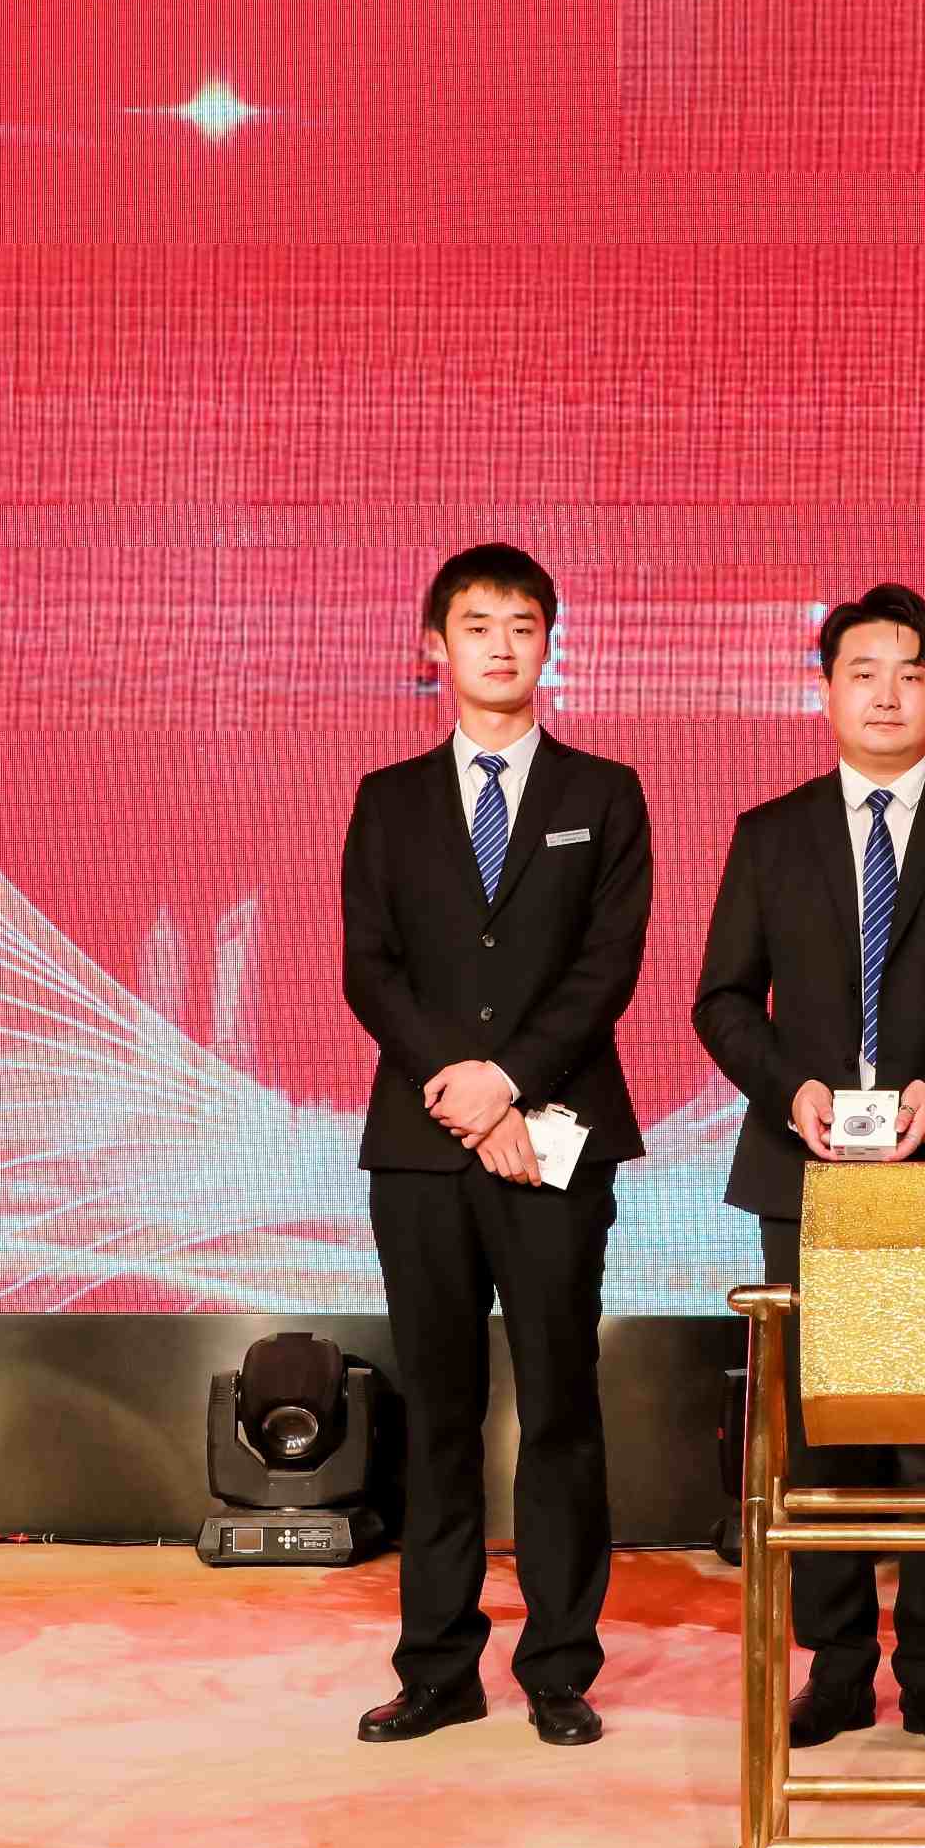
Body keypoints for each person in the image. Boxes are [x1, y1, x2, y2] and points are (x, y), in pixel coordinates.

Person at [693, 583, 925, 1755]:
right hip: (806, 1170)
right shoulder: (769, 833)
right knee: (822, 1432)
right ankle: (838, 1668)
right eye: (862, 672)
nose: (887, 694)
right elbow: (721, 999)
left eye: (911, 672)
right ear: (823, 691)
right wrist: (788, 1089)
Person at [341, 544, 653, 1749]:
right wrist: (464, 1092)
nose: (500, 646)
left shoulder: (603, 793)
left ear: (548, 644)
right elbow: (371, 967)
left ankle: (559, 1666)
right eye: (477, 625)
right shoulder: (388, 799)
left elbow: (605, 967)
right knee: (439, 1409)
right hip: (422, 1149)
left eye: (522, 625)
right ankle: (437, 1666)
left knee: (559, 1403)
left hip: (556, 1138)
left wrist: (511, 1082)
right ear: (436, 646)